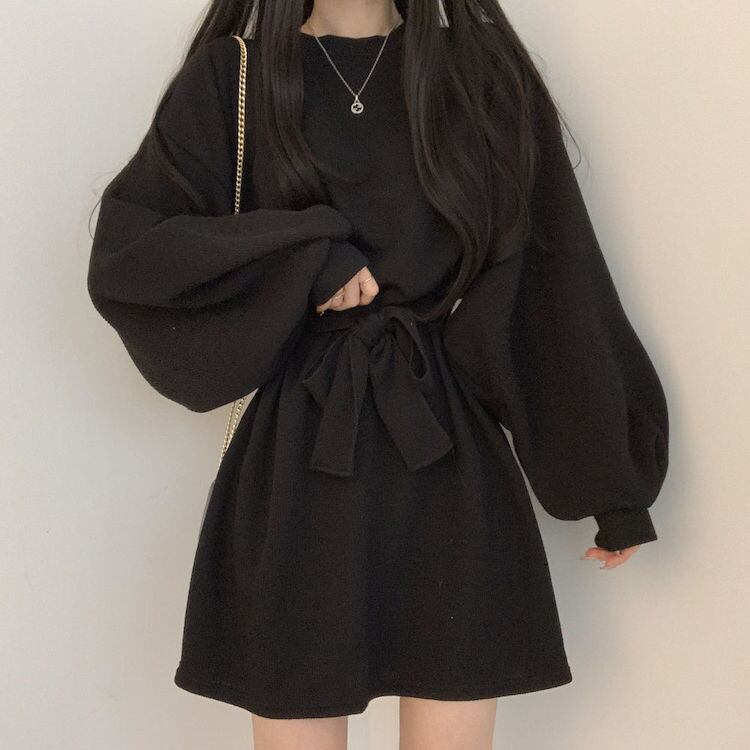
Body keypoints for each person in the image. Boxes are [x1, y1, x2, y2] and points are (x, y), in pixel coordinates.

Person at [86, 0, 670, 747]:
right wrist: (305, 257)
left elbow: (550, 281)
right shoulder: (231, 79)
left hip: (450, 465)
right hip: (299, 468)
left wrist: (609, 484)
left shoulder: (478, 72)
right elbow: (134, 255)